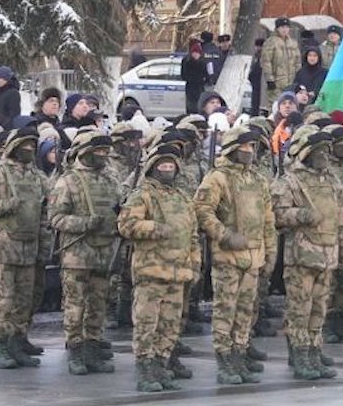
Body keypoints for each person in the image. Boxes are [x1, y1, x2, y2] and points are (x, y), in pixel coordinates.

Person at [195, 122, 276, 384]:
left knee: (245, 311)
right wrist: (224, 234)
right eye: (243, 147)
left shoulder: (257, 179)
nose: (248, 151)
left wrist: (270, 251)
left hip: (254, 256)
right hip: (228, 257)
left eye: (251, 147)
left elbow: (267, 218)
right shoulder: (217, 177)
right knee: (225, 310)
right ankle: (225, 359)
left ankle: (240, 354)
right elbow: (203, 211)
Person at [271, 126, 343, 380]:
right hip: (301, 258)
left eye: (326, 152)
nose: (324, 156)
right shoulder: (290, 181)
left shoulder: (332, 181)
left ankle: (315, 352)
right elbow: (276, 214)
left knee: (319, 309)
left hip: (327, 257)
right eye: (318, 152)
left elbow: (342, 220)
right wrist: (300, 215)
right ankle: (300, 355)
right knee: (299, 309)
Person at [118, 146, 202, 392]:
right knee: (147, 322)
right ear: (153, 167)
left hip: (179, 272)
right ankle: (145, 367)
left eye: (171, 166)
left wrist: (194, 264)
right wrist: (154, 228)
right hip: (151, 271)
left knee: (170, 324)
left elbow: (193, 236)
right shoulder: (142, 195)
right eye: (162, 166)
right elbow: (126, 225)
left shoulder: (183, 198)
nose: (167, 169)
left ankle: (161, 364)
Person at [47, 130, 123, 377]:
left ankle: (93, 347)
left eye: (105, 151)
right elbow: (55, 219)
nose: (102, 155)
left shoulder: (112, 180)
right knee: (75, 306)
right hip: (77, 254)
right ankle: (75, 350)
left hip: (104, 252)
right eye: (97, 151)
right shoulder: (68, 181)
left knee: (98, 305)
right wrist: (84, 223)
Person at [0, 124, 48, 368]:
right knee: (4, 301)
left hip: (30, 248)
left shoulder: (38, 177)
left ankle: (18, 342)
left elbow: (45, 213)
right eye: (25, 145)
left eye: (33, 145)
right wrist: (6, 205)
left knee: (24, 300)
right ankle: (0, 344)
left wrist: (44, 248)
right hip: (4, 249)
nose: (29, 149)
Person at [262, 18, 301, 110]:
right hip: (276, 82)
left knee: (291, 106)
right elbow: (266, 61)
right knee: (276, 107)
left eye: (287, 27)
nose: (285, 29)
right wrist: (269, 79)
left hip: (291, 81)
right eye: (282, 27)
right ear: (277, 28)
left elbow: (298, 61)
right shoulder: (271, 42)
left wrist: (299, 76)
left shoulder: (293, 43)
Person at [181, 40, 211, 114]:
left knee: (198, 106)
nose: (195, 55)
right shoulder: (187, 61)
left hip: (197, 87)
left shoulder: (203, 61)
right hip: (194, 87)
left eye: (197, 53)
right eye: (194, 52)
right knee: (192, 106)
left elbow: (208, 75)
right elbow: (183, 75)